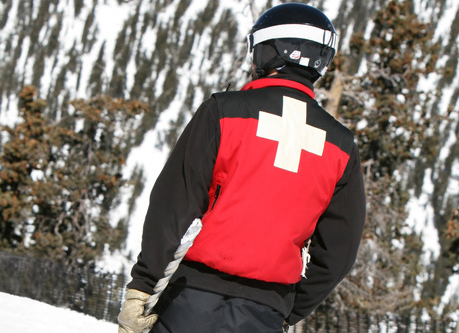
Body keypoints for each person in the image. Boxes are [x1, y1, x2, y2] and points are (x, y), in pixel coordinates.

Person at [117, 3, 366, 333]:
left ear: (267, 52)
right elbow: (339, 251)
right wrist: (287, 307)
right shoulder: (341, 145)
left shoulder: (224, 112)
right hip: (264, 312)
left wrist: (143, 286)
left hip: (191, 301)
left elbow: (173, 206)